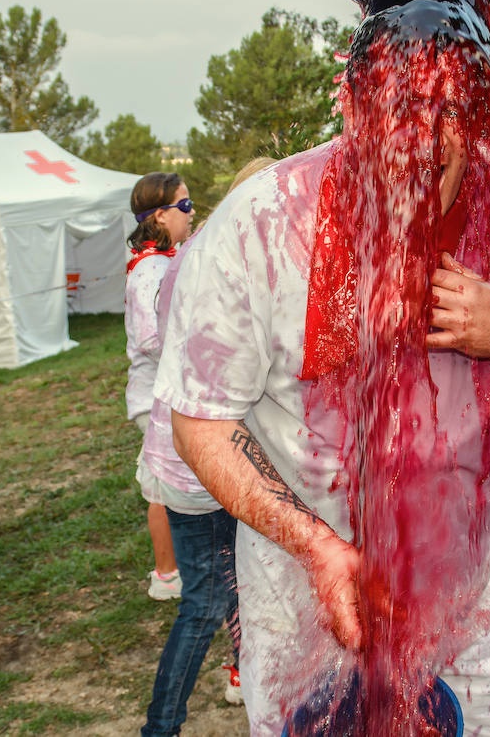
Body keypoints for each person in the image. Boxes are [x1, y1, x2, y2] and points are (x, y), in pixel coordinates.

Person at [156, 0, 490, 736]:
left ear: (477, 120)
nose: (417, 157)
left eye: (444, 131)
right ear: (353, 109)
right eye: (395, 128)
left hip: (477, 602)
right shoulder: (260, 223)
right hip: (312, 606)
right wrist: (316, 546)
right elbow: (201, 419)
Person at [138, 157, 276, 736]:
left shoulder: (195, 257)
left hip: (201, 461)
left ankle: (245, 678)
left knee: (240, 584)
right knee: (205, 602)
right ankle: (162, 725)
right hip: (198, 467)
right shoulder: (218, 264)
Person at [126, 173, 196, 601]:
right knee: (161, 485)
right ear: (160, 215)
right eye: (185, 207)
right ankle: (167, 575)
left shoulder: (161, 260)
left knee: (166, 482)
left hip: (164, 389)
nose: (192, 213)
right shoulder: (149, 269)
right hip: (155, 393)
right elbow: (153, 339)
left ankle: (174, 570)